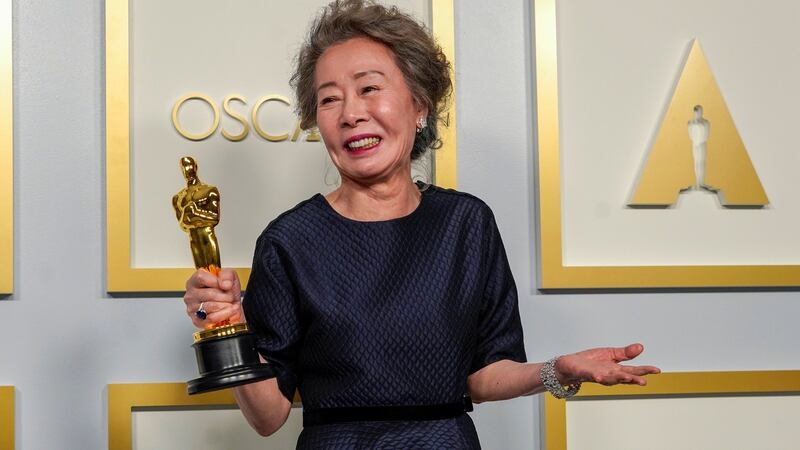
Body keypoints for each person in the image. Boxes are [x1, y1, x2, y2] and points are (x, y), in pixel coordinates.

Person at [183, 1, 660, 448]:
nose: (351, 113)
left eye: (369, 88)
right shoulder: (289, 240)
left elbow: (482, 375)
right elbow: (267, 418)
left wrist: (558, 369)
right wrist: (231, 327)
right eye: (330, 100)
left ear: (419, 106)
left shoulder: (466, 224)